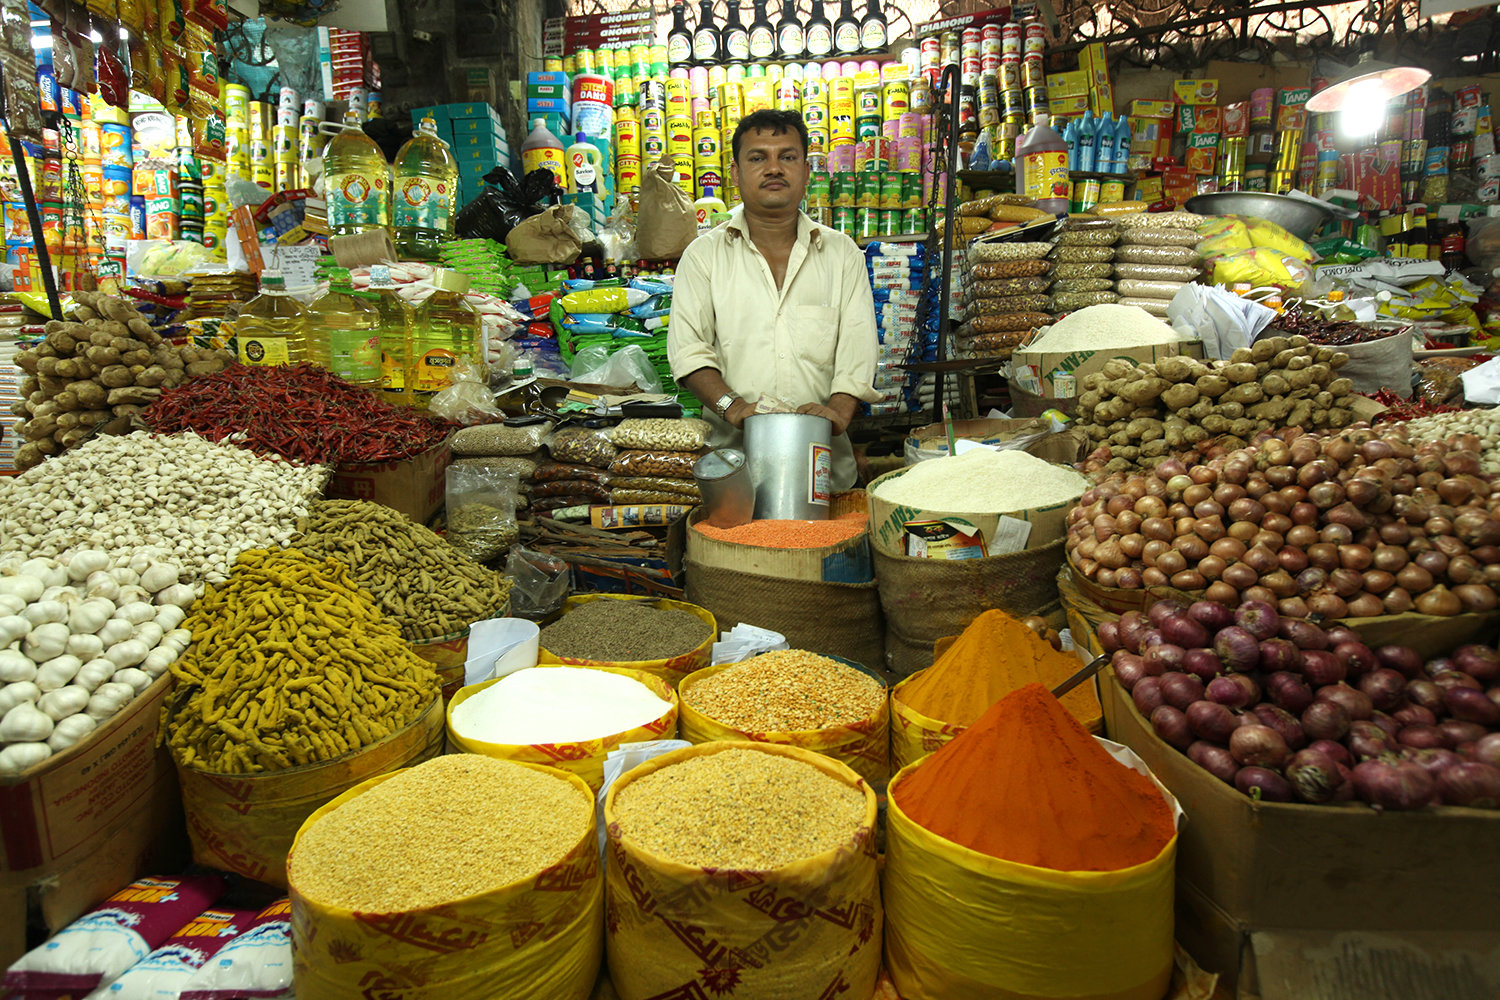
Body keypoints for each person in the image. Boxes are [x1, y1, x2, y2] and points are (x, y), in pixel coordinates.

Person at [666, 108, 879, 490]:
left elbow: (858, 348)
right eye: (758, 157)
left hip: (825, 470)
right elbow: (688, 351)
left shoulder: (841, 253)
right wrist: (734, 409)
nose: (774, 168)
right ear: (735, 172)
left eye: (788, 157)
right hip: (732, 472)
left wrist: (838, 412)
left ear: (806, 171)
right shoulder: (704, 256)